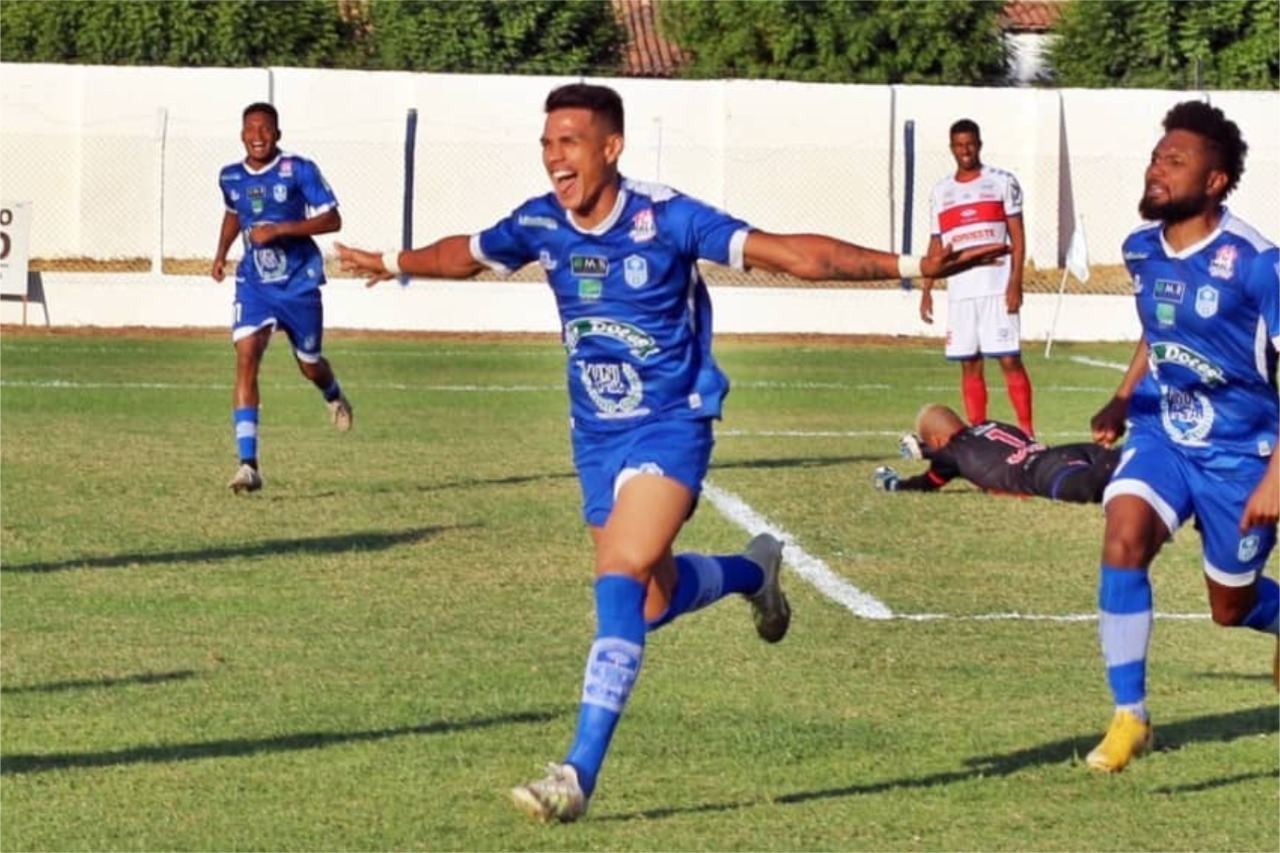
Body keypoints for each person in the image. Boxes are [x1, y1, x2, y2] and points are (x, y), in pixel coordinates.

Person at [336, 83, 1007, 823]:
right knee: (648, 601)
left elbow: (791, 255)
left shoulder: (667, 218)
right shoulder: (540, 221)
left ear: (610, 148)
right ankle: (753, 569)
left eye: (570, 142)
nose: (555, 157)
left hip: (671, 424)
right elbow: (466, 254)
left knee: (618, 579)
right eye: (547, 142)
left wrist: (911, 266)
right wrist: (392, 257)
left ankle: (576, 771)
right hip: (594, 434)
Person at [1085, 100, 1279, 772]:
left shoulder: (1258, 264)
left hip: (1244, 457)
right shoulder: (1141, 251)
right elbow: (1157, 329)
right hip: (1165, 431)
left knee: (1233, 606)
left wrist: (1278, 475)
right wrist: (1120, 393)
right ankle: (1129, 715)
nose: (1156, 169)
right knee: (1124, 533)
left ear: (1216, 180)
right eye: (1156, 156)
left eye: (1176, 160)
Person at [211, 102, 353, 494]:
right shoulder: (230, 176)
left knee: (309, 364)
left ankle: (333, 393)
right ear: (242, 134)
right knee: (246, 355)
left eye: (265, 129)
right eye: (251, 129)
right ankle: (248, 464)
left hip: (299, 282)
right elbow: (233, 213)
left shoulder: (298, 169)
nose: (258, 136)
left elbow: (332, 218)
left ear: (277, 134)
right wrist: (221, 253)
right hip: (255, 283)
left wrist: (281, 230)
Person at [918, 119, 1035, 436]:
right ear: (951, 148)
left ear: (979, 144)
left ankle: (1027, 434)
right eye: (958, 145)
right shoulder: (941, 191)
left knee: (1009, 359)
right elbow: (936, 242)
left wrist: (1015, 282)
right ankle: (979, 433)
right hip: (960, 291)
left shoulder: (1002, 181)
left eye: (970, 143)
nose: (965, 150)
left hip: (996, 287)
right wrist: (927, 289)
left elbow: (1018, 236)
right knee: (969, 362)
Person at [872, 403, 1120, 502]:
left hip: (1041, 473)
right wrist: (924, 451)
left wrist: (895, 485)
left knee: (1091, 487)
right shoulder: (987, 425)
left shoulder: (951, 455)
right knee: (1127, 461)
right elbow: (986, 451)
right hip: (1063, 452)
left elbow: (927, 483)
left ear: (937, 440)